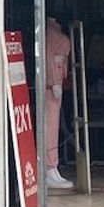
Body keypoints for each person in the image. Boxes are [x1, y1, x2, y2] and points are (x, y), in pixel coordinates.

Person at [45, 17, 74, 189]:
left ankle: (52, 166)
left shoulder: (53, 32)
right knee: (50, 125)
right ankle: (49, 166)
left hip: (57, 83)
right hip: (51, 85)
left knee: (53, 125)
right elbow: (48, 57)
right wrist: (53, 81)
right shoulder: (50, 33)